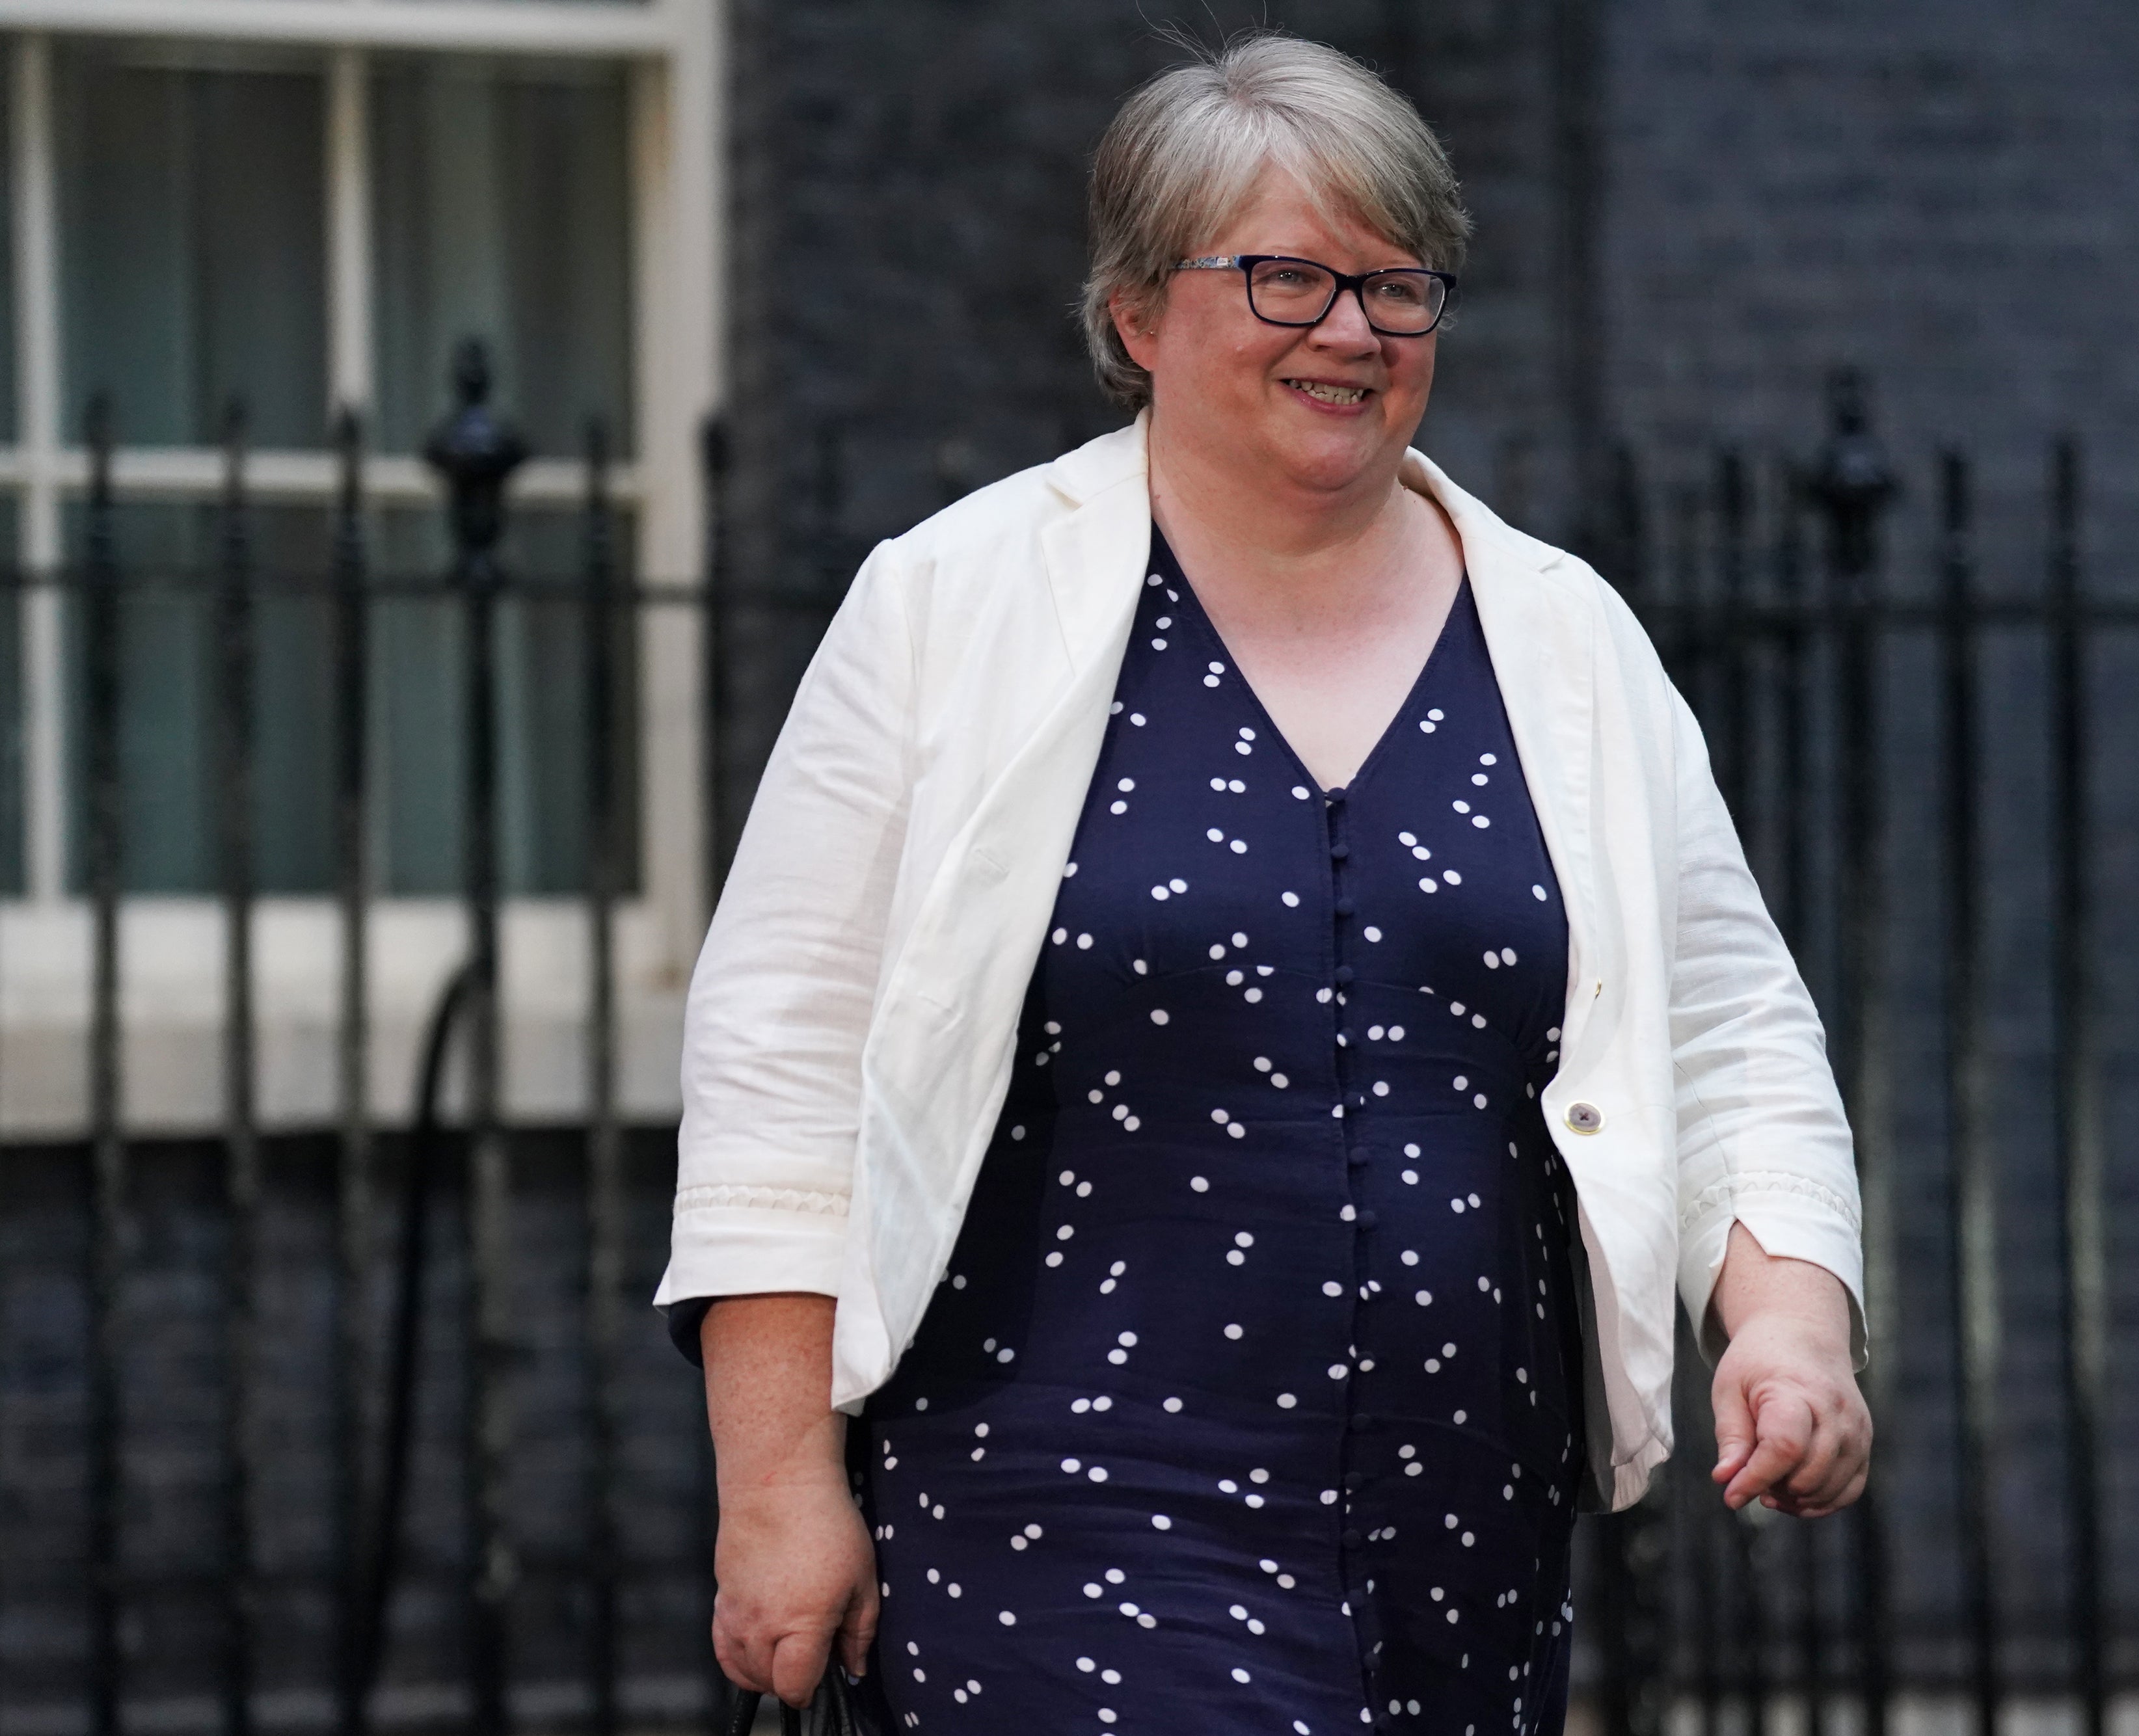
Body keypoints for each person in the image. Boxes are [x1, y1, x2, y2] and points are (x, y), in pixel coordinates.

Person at [654, 31, 1869, 1733]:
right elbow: (779, 1059)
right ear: (1139, 315)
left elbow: (1736, 1032)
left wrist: (1793, 1325)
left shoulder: (1568, 638)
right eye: (1287, 277)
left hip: (1462, 1551)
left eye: (1398, 285)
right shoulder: (946, 607)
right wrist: (778, 1489)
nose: (1353, 330)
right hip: (1053, 1518)